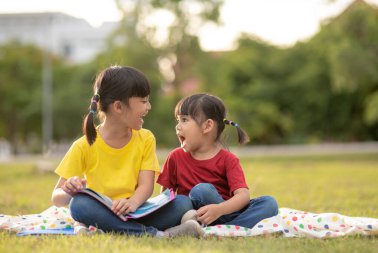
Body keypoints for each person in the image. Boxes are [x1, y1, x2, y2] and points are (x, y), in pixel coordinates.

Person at [51, 65, 201, 237]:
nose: (149, 107)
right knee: (79, 205)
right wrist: (68, 190)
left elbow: (146, 185)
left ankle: (107, 229)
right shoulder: (83, 145)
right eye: (143, 101)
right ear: (118, 107)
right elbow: (56, 197)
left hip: (137, 209)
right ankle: (159, 236)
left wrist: (133, 203)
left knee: (182, 202)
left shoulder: (146, 138)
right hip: (101, 209)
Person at [157, 93, 278, 230]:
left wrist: (219, 209)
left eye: (184, 120)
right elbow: (166, 196)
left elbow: (243, 196)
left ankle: (221, 228)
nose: (178, 126)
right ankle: (221, 228)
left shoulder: (228, 159)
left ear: (207, 126)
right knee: (195, 194)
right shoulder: (175, 157)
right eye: (177, 120)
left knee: (269, 203)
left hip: (226, 213)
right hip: (193, 214)